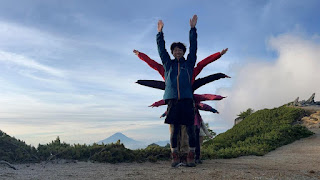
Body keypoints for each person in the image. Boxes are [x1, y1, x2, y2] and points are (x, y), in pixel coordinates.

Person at [156, 15, 198, 167]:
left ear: (183, 52)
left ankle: (190, 155)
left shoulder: (189, 63)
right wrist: (160, 34)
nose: (178, 52)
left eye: (180, 50)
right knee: (174, 131)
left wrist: (192, 29)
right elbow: (161, 50)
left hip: (187, 100)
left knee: (190, 130)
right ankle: (174, 155)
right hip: (172, 100)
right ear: (172, 52)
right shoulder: (168, 64)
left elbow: (194, 47)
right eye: (175, 50)